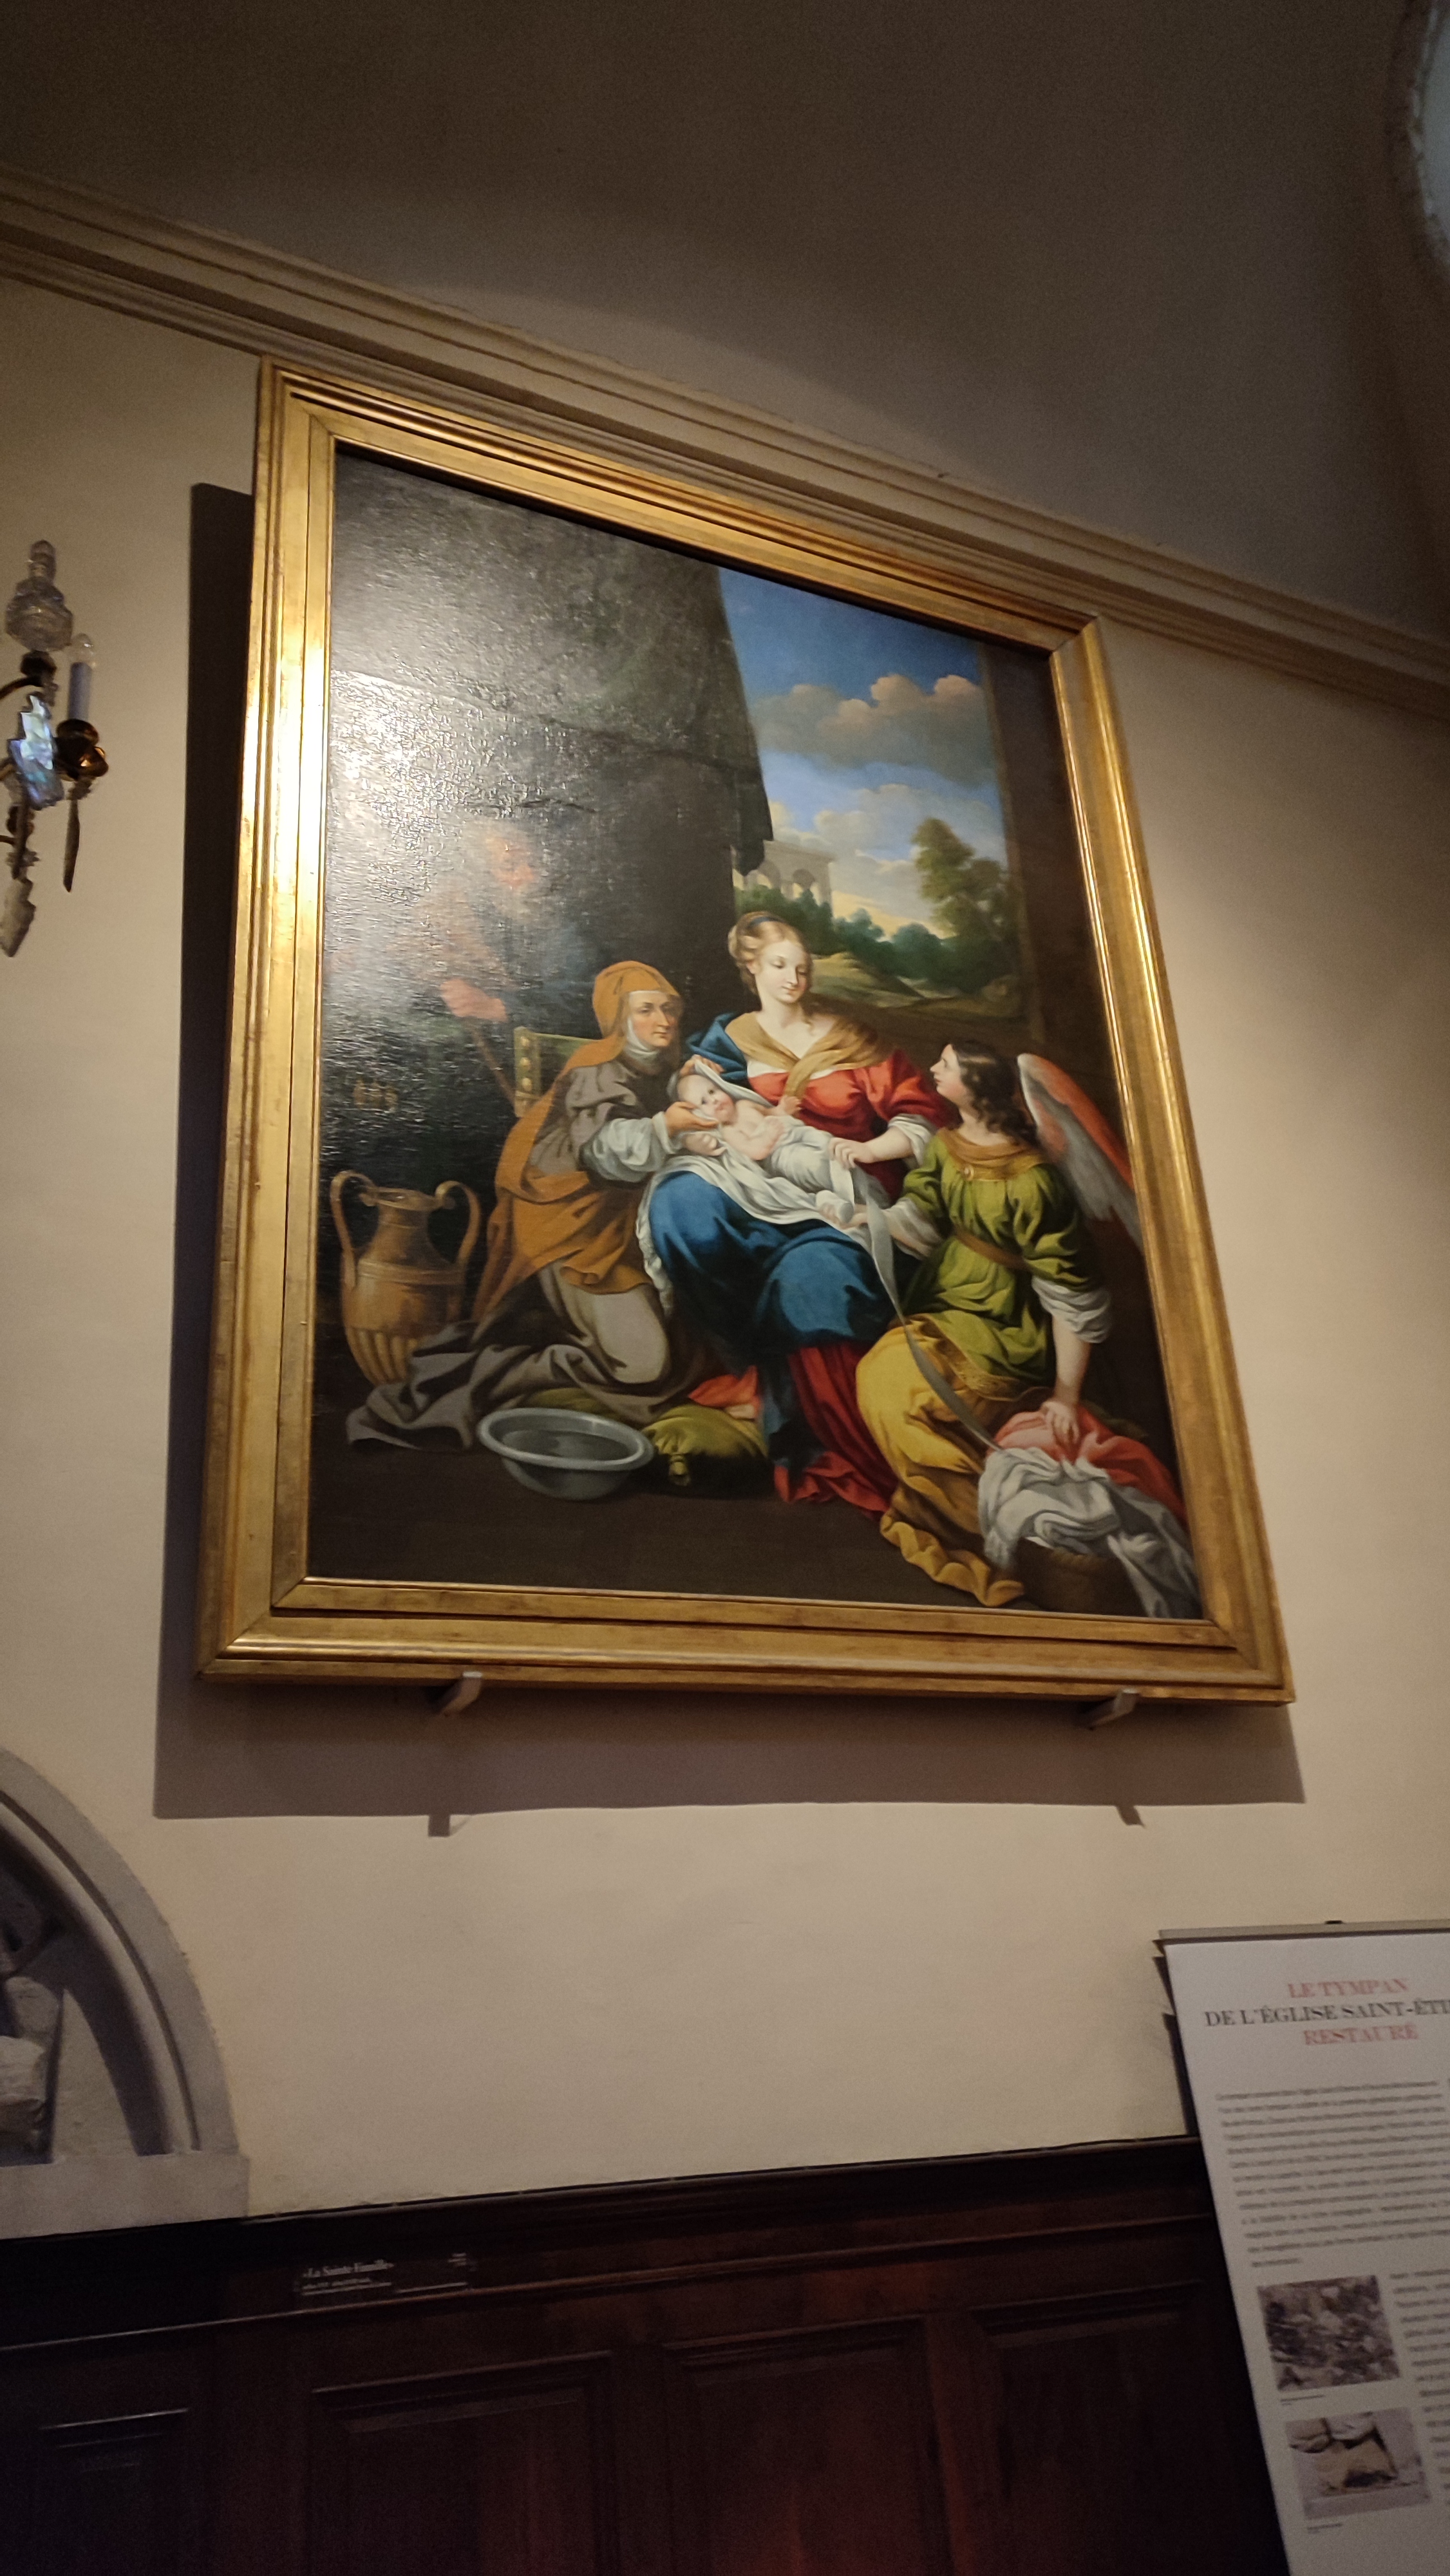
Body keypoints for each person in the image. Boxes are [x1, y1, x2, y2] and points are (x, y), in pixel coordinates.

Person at [648, 914, 948, 1510]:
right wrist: (701, 1121)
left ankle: (799, 1412)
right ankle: (751, 1365)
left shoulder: (856, 1043)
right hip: (759, 1190)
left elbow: (922, 1119)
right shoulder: (727, 1043)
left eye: (803, 967)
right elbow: (695, 1104)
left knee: (809, 1277)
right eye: (780, 965)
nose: (794, 978)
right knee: (679, 1206)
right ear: (751, 967)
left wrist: (871, 1150)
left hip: (845, 1196)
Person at [348, 963, 712, 1446]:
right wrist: (668, 1127)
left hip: (627, 1227)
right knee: (645, 1365)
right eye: (646, 1010)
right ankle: (513, 1374)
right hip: (572, 1231)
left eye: (669, 1008)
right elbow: (603, 1153)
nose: (663, 1020)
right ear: (618, 1017)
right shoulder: (597, 1068)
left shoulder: (665, 1068)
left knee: (694, 1342)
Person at [855, 1039, 1114, 1602]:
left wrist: (1066, 1395)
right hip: (947, 1300)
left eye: (946, 1065)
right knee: (880, 1379)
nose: (933, 1069)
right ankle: (985, 1517)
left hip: (1005, 1327)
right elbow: (922, 1215)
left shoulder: (1033, 1179)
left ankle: (991, 1532)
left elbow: (1072, 1291)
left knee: (891, 1389)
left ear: (974, 1085)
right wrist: (870, 1219)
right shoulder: (946, 1146)